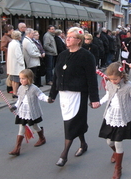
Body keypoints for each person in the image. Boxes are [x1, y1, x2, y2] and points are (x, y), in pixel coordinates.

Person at [49, 27, 100, 167]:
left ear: (79, 40)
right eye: (67, 36)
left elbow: (91, 78)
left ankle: (64, 154)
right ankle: (83, 144)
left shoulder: (87, 56)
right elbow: (56, 75)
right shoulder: (62, 55)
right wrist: (52, 94)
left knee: (71, 123)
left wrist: (94, 99)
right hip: (64, 96)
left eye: (71, 37)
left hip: (78, 94)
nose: (68, 39)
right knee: (71, 121)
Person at [96, 62, 131, 179]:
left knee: (118, 142)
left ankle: (118, 168)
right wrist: (99, 103)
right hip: (111, 115)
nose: (113, 81)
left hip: (122, 117)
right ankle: (116, 153)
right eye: (111, 79)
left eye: (115, 79)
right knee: (109, 142)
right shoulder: (109, 83)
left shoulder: (129, 86)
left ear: (121, 75)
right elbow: (108, 96)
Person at [8, 69, 49, 156]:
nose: (21, 80)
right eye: (20, 78)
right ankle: (17, 149)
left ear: (29, 79)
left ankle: (42, 138)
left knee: (35, 126)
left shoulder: (34, 88)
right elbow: (19, 100)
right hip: (22, 111)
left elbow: (41, 96)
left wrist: (48, 99)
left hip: (31, 111)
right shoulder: (20, 88)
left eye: (23, 78)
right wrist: (15, 106)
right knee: (21, 127)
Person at [7, 31, 25, 98]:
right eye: (20, 36)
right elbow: (18, 55)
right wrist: (22, 63)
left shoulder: (11, 43)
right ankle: (15, 92)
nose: (21, 37)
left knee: (13, 80)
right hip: (17, 64)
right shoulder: (17, 44)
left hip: (12, 64)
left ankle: (14, 92)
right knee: (16, 80)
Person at [1, 24, 14, 94]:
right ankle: (9, 88)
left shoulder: (11, 37)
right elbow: (2, 47)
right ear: (9, 30)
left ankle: (12, 87)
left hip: (12, 57)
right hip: (9, 57)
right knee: (10, 73)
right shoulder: (5, 37)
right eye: (12, 29)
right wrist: (9, 49)